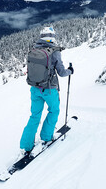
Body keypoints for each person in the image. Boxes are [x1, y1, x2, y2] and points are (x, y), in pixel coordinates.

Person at [20, 26, 74, 155]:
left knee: (34, 115)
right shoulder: (54, 52)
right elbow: (61, 72)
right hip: (49, 89)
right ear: (52, 38)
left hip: (34, 89)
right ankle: (46, 137)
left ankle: (26, 145)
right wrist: (70, 71)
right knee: (54, 110)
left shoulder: (34, 49)